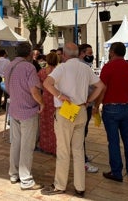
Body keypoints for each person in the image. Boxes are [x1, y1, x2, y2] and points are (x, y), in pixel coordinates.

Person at [41, 42, 101, 198]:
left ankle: (60, 185)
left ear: (65, 55)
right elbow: (101, 86)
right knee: (78, 150)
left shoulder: (62, 67)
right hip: (81, 109)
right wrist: (89, 100)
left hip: (65, 110)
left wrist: (59, 95)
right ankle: (80, 187)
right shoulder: (86, 68)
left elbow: (47, 83)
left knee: (63, 150)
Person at [94, 42, 128, 182]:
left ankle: (116, 172)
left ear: (112, 52)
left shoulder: (107, 68)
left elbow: (102, 89)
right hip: (127, 107)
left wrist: (96, 106)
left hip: (111, 108)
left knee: (113, 141)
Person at [4, 42, 44, 191]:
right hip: (28, 111)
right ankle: (26, 179)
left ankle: (14, 173)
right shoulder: (29, 67)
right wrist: (42, 103)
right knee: (27, 146)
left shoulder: (9, 66)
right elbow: (34, 90)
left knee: (16, 143)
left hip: (14, 109)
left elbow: (7, 87)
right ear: (29, 54)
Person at [78, 43, 99, 173]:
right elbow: (98, 86)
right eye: (89, 53)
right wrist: (92, 100)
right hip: (83, 105)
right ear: (82, 53)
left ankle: (83, 156)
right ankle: (82, 162)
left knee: (83, 132)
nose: (92, 56)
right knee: (80, 133)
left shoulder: (85, 67)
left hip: (86, 104)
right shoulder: (83, 68)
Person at [37, 52, 59, 155]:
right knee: (56, 124)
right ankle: (56, 148)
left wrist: (45, 89)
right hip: (56, 98)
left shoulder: (41, 72)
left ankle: (45, 146)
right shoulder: (58, 72)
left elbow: (39, 85)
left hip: (45, 98)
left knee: (45, 123)